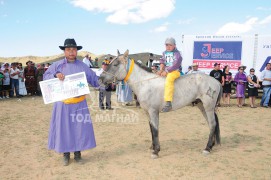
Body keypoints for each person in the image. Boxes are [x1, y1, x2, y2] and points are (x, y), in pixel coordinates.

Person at [43, 38, 100, 166]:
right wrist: (55, 75)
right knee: (64, 128)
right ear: (64, 51)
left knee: (79, 129)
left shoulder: (83, 66)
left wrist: (107, 82)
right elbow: (45, 76)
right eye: (68, 49)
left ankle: (78, 154)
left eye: (73, 49)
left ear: (76, 51)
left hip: (80, 103)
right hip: (62, 104)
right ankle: (66, 154)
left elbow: (94, 80)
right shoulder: (57, 65)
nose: (71, 52)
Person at [157, 37, 182, 112]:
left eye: (170, 45)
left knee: (169, 80)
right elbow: (162, 61)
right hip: (166, 71)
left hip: (175, 71)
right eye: (166, 45)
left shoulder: (177, 54)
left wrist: (167, 71)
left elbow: (176, 64)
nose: (168, 47)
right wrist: (161, 70)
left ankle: (168, 103)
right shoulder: (164, 53)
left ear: (174, 45)